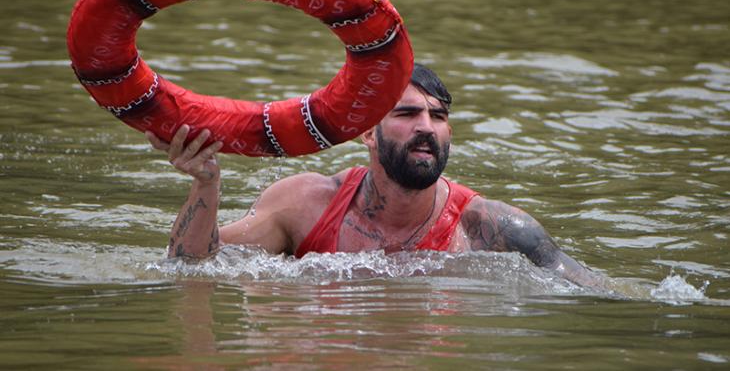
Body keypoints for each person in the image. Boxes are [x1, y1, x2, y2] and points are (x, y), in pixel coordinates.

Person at [147, 64, 603, 287]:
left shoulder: (494, 228)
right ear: (368, 131)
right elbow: (191, 267)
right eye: (407, 113)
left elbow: (594, 290)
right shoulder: (305, 203)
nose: (426, 126)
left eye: (438, 116)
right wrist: (205, 183)